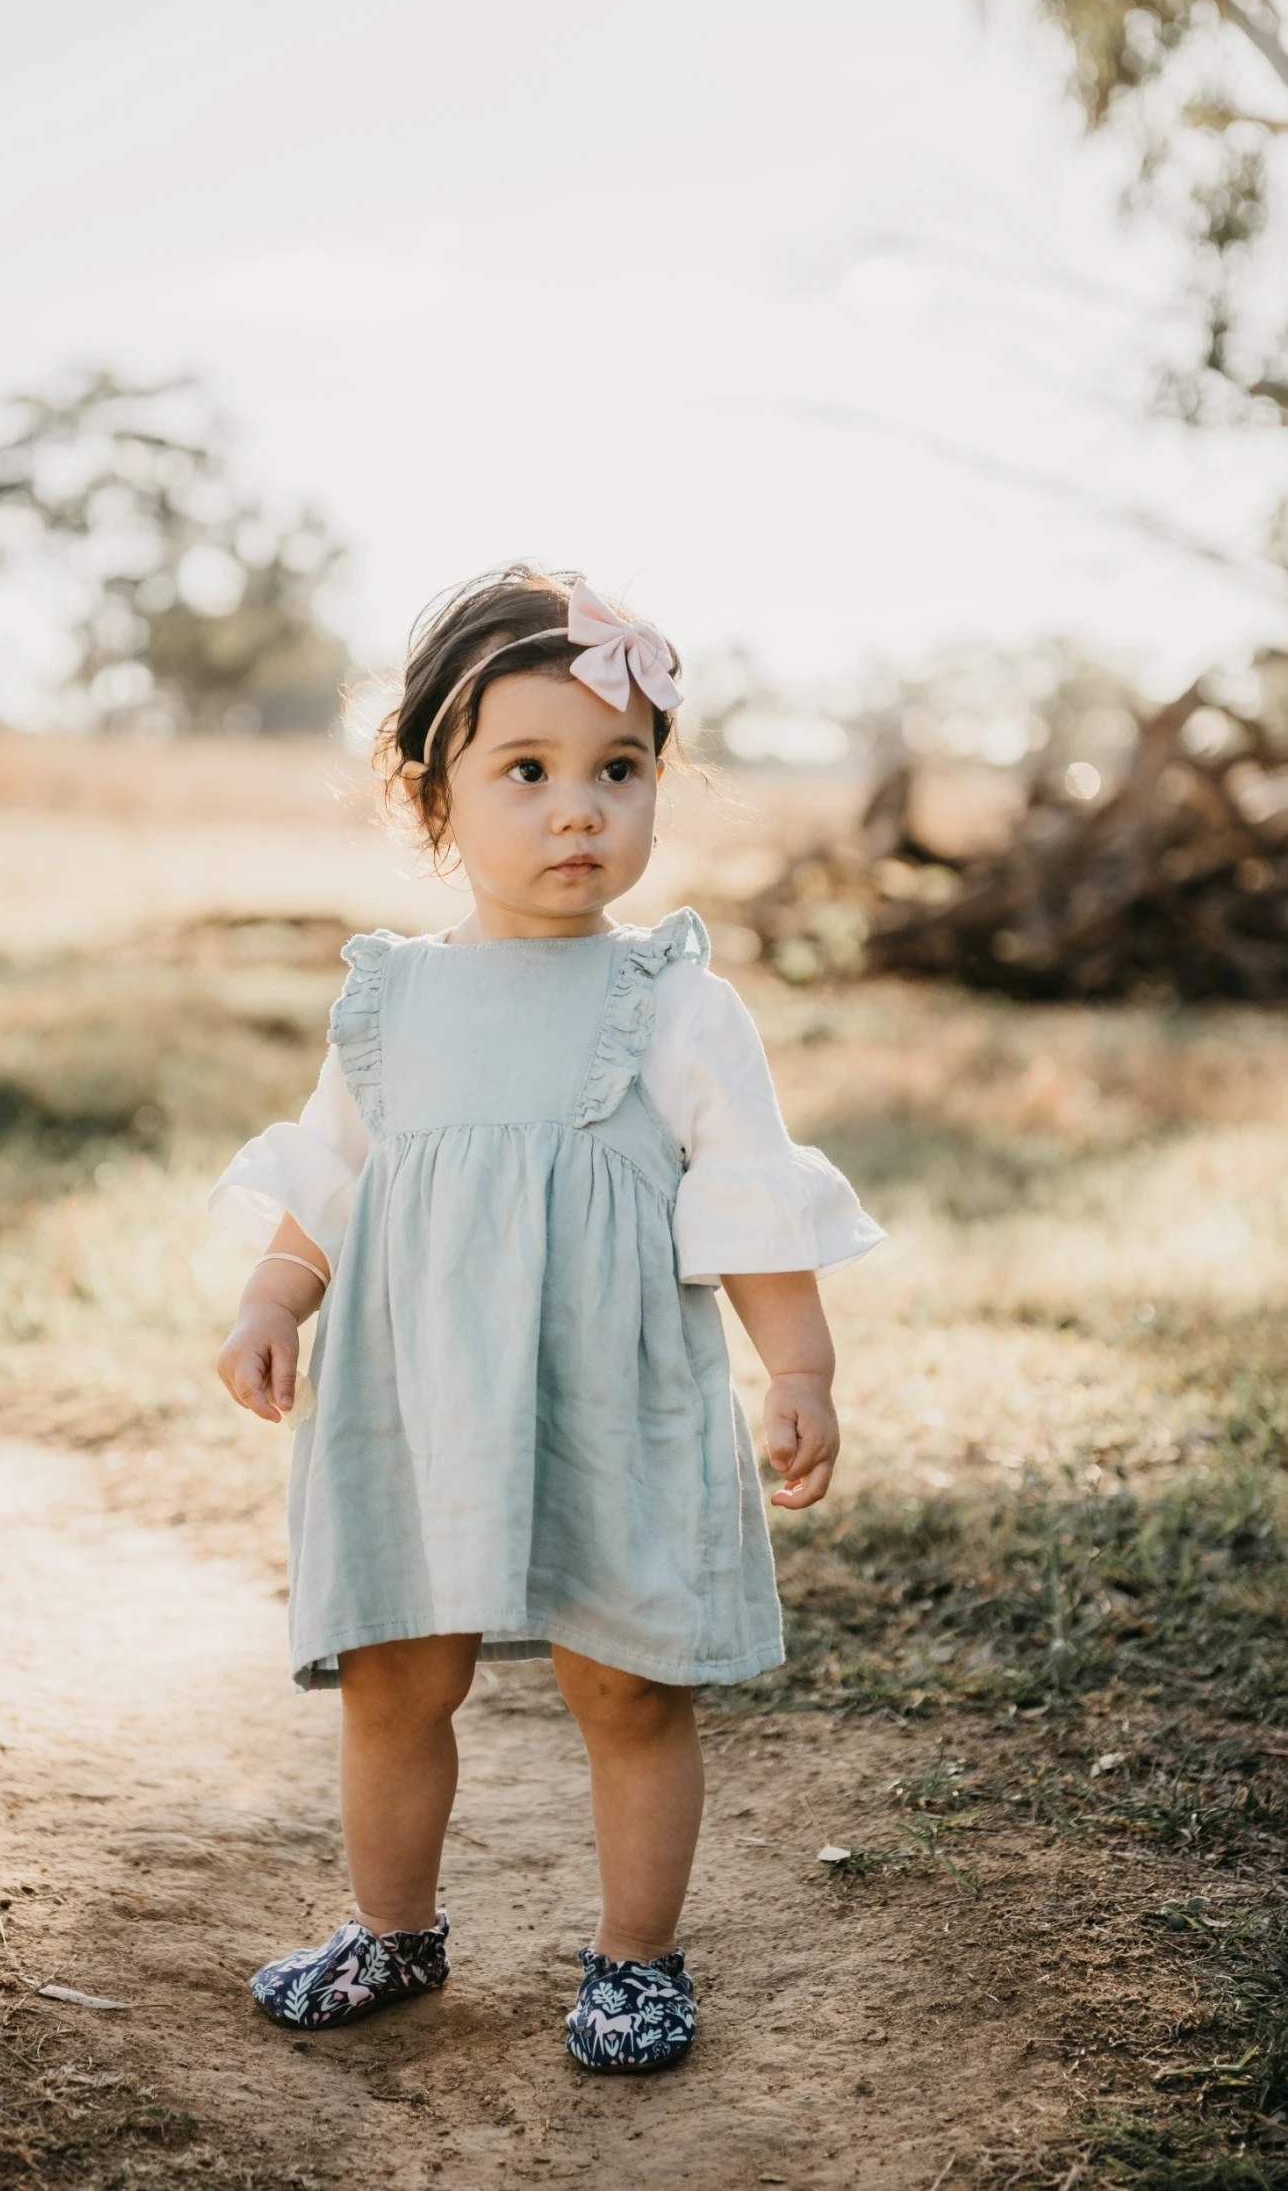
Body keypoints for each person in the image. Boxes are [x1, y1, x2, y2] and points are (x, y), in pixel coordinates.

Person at [209, 564, 883, 2073]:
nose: (580, 810)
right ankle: (393, 1928)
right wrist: (273, 1294)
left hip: (607, 1392)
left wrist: (802, 1366)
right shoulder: (389, 1001)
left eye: (619, 771)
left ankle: (637, 1956)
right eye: (528, 771)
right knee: (396, 1667)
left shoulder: (675, 1001)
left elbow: (747, 1196)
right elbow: (334, 1173)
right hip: (414, 1391)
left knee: (627, 1674)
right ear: (431, 791)